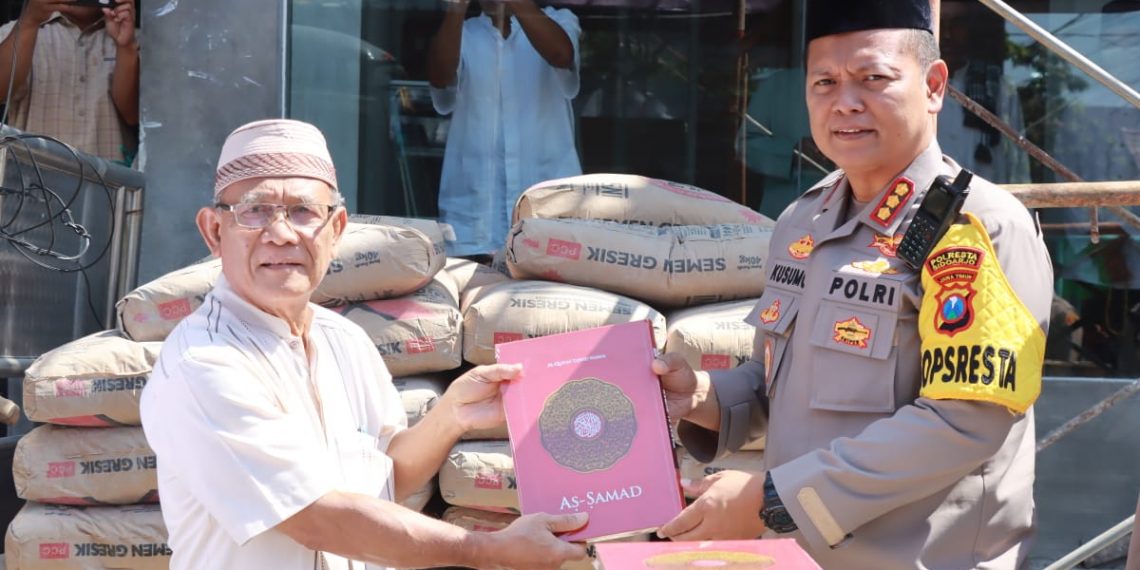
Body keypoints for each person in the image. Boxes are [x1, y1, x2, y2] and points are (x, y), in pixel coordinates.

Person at [653, 1, 1053, 568]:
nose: (845, 102)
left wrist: (773, 499)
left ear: (933, 85)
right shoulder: (803, 220)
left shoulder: (975, 229)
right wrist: (699, 397)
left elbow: (965, 421)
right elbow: (781, 385)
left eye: (873, 79)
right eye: (825, 82)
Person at [139, 119, 588, 570]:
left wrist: (452, 416)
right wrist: (485, 550)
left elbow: (386, 476)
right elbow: (315, 517)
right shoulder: (203, 363)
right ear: (215, 231)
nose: (281, 233)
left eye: (303, 212)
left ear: (336, 229)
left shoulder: (345, 342)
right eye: (254, 212)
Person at [427, 0, 581, 258]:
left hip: (548, 217)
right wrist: (455, 9)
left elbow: (561, 55)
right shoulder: (464, 32)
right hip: (475, 220)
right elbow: (440, 78)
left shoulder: (561, 20)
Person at [0, 0, 138, 164]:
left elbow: (133, 115)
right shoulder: (15, 31)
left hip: (111, 182)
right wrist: (30, 21)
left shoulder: (135, 38)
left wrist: (125, 47)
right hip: (33, 181)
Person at [936, 0, 1029, 184]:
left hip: (986, 202)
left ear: (969, 29)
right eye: (941, 23)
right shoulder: (914, 88)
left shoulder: (999, 89)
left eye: (957, 23)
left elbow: (1016, 161)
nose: (947, 34)